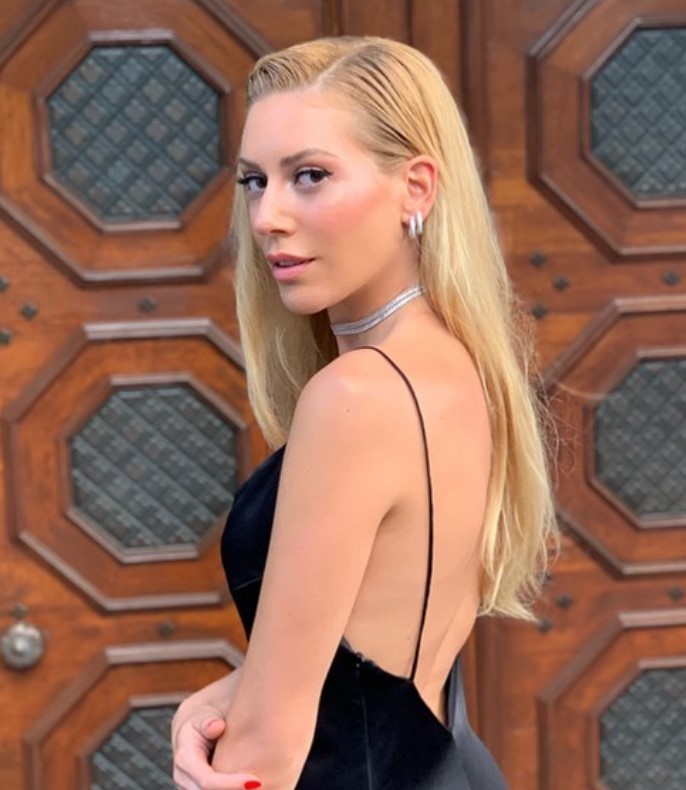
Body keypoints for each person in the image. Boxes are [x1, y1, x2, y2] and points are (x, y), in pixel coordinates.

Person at [171, 36, 556, 790]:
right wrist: (217, 701)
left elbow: (266, 753)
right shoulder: (459, 367)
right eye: (255, 181)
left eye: (309, 176)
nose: (267, 216)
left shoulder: (353, 397)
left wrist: (225, 754)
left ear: (416, 187)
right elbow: (368, 660)